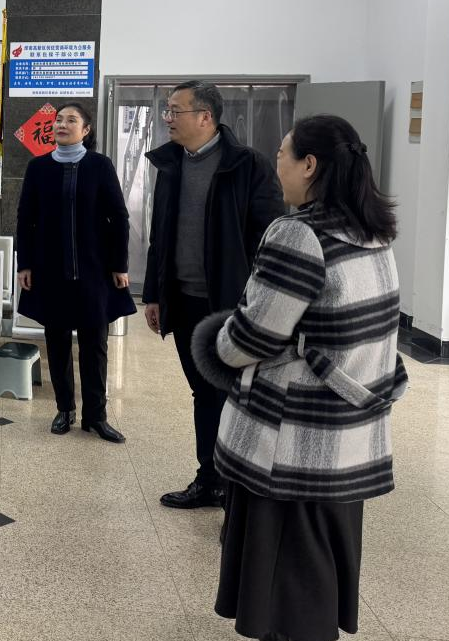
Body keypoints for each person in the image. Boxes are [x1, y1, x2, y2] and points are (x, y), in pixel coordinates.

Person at [191, 115, 408, 641]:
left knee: (291, 561)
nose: (277, 166)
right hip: (349, 431)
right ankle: (287, 630)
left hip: (292, 441)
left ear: (309, 165)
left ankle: (298, 637)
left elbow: (254, 335)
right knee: (321, 553)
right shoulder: (371, 231)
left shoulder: (298, 234)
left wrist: (217, 343)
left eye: (283, 155)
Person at [142, 80, 285, 510]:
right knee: (204, 392)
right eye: (167, 110)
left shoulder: (248, 166)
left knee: (235, 394)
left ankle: (239, 483)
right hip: (184, 300)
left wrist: (259, 302)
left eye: (175, 111)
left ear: (205, 117)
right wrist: (154, 294)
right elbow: (159, 235)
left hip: (230, 304)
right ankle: (211, 480)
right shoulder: (171, 164)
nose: (167, 118)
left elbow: (269, 239)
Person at [15, 102, 134, 441]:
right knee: (57, 343)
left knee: (95, 345)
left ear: (86, 130)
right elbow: (26, 218)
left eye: (71, 120)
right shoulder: (38, 167)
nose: (62, 125)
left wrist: (120, 265)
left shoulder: (100, 165)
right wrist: (25, 264)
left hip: (94, 270)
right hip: (50, 270)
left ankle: (95, 416)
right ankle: (64, 409)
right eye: (58, 120)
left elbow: (119, 217)